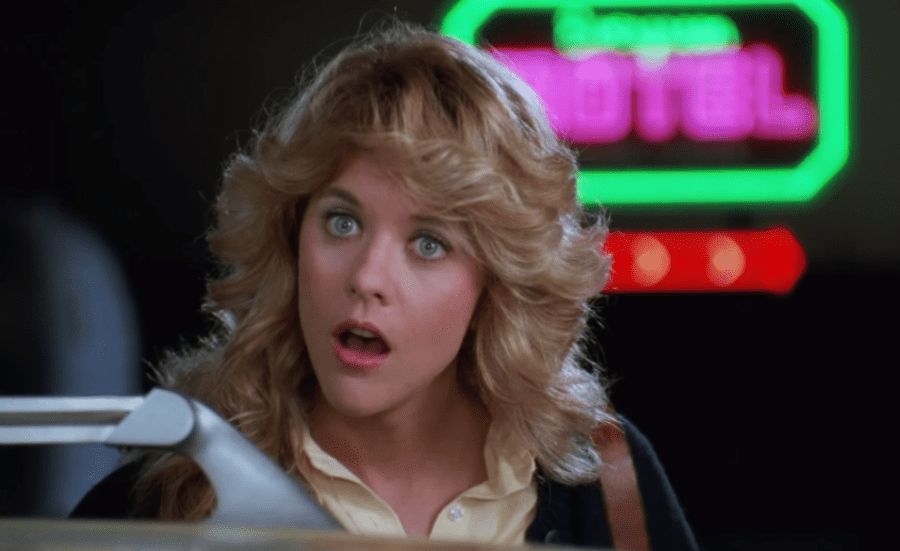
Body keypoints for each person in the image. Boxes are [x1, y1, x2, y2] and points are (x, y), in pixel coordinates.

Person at [70, 20, 698, 550]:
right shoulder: (170, 492)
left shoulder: (608, 477)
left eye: (429, 244)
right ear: (291, 236)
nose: (367, 278)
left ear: (497, 281)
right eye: (342, 223)